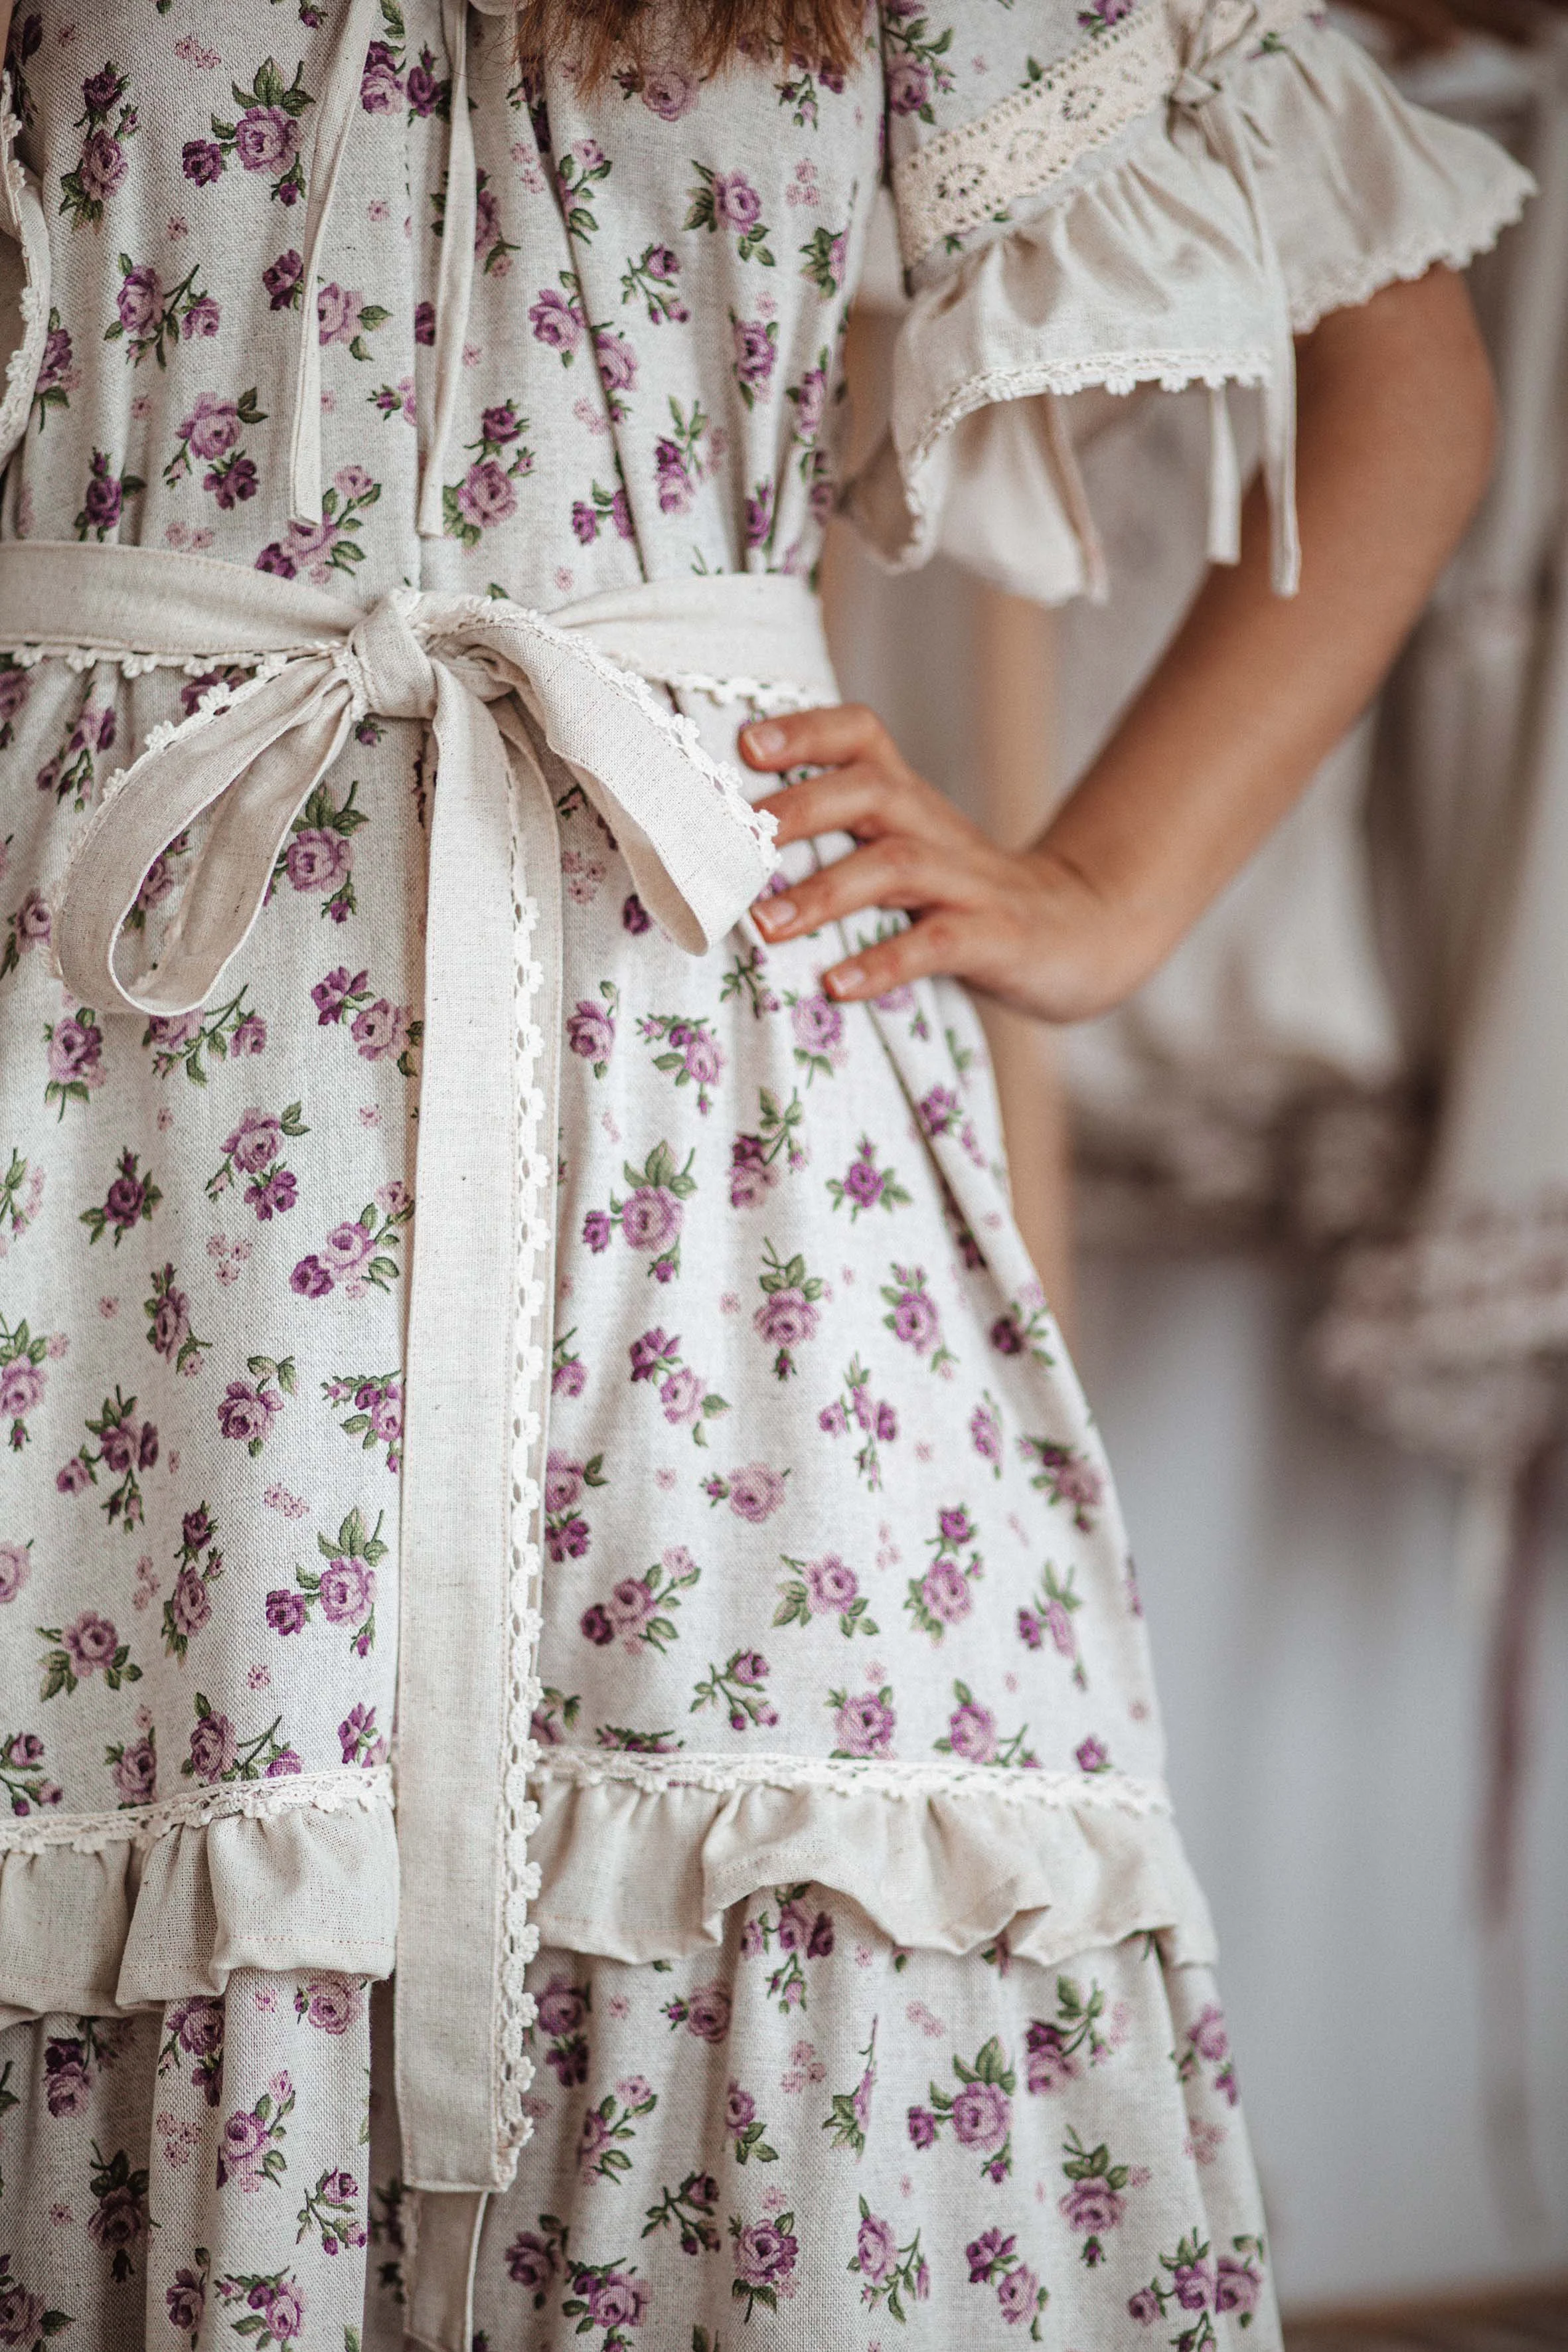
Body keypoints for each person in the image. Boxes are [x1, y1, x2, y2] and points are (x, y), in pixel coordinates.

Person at [0, 1, 1527, 2346]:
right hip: (132, 1111)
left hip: (715, 1128)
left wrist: (1101, 892)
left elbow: (1404, 369)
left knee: (783, 1865)